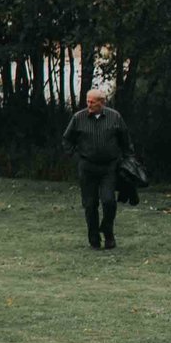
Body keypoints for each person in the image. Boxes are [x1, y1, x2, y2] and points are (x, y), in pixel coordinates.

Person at [62, 89, 134, 250]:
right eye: (87, 101)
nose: (89, 104)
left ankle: (108, 231)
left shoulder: (115, 117)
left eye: (92, 102)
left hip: (109, 167)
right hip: (87, 167)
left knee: (109, 201)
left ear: (102, 102)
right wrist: (74, 156)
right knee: (90, 204)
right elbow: (67, 139)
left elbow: (125, 140)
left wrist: (129, 160)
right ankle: (93, 237)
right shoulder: (78, 118)